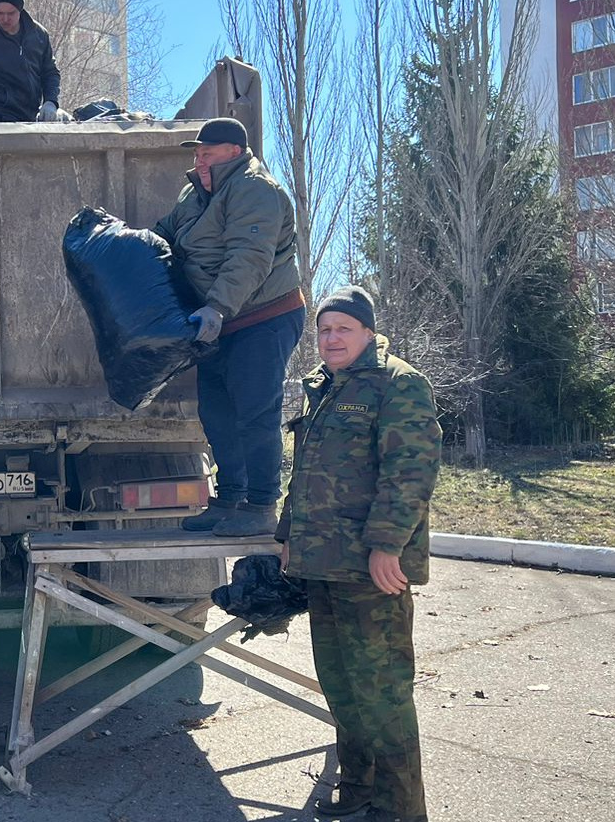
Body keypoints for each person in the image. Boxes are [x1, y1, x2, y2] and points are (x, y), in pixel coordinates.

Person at [275, 287, 440, 822]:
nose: (331, 338)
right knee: (342, 685)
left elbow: (410, 473)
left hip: (371, 569)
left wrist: (387, 545)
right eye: (324, 330)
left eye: (343, 328)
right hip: (323, 563)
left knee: (382, 692)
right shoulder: (322, 387)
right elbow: (305, 473)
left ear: (368, 332)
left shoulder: (398, 384)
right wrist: (287, 535)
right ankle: (359, 790)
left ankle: (399, 810)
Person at [153, 117, 304, 538]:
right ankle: (230, 499)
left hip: (263, 317)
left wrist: (217, 306)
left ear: (234, 153)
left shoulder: (255, 189)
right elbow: (165, 234)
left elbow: (249, 256)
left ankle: (261, 506)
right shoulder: (194, 195)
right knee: (217, 414)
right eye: (197, 154)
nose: (200, 161)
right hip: (219, 323)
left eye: (208, 153)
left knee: (255, 413)